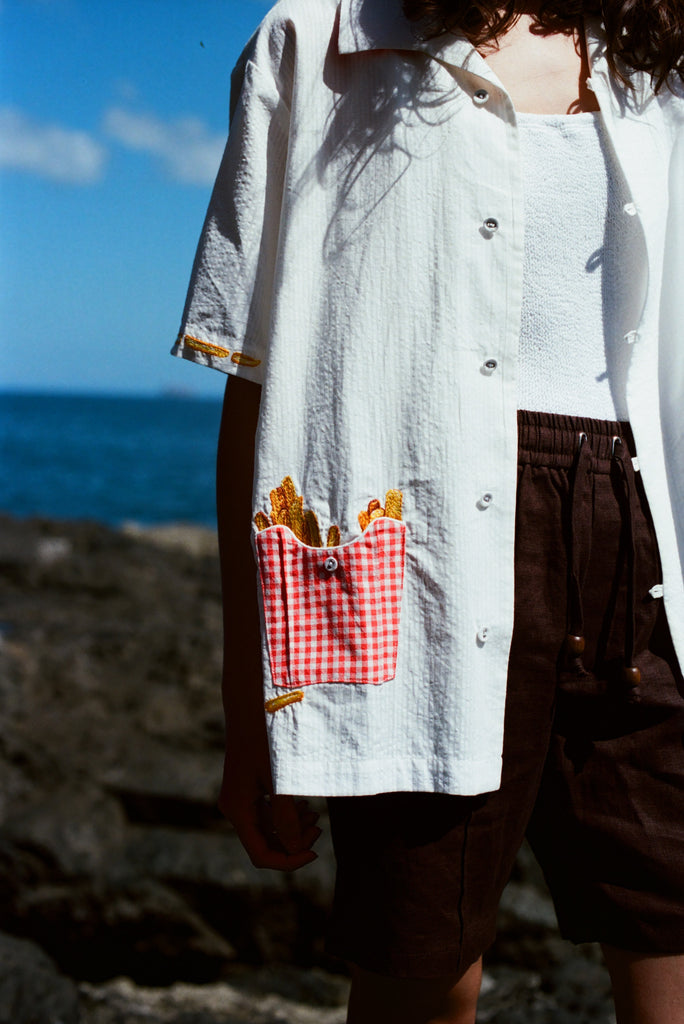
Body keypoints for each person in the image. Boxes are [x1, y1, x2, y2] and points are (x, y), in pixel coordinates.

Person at [172, 1, 684, 1020]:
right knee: (420, 970)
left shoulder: (660, 52)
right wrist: (251, 705)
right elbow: (258, 383)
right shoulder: (323, 38)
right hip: (422, 554)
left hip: (650, 546)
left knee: (673, 936)